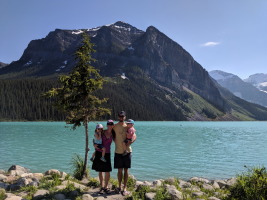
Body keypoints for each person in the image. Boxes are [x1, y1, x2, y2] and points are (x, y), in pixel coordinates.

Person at [113, 111, 137, 196]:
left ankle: (125, 188)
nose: (121, 118)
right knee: (119, 170)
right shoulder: (114, 126)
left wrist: (131, 142)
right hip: (118, 151)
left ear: (125, 117)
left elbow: (134, 136)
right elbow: (108, 132)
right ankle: (119, 186)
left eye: (122, 116)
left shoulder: (128, 126)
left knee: (126, 170)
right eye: (120, 116)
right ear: (118, 117)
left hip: (127, 151)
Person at [92, 120, 114, 194]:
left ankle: (106, 186)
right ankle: (101, 186)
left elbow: (119, 139)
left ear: (113, 125)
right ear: (107, 125)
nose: (110, 125)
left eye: (111, 124)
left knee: (107, 171)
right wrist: (94, 145)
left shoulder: (113, 133)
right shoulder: (102, 132)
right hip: (99, 152)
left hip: (107, 153)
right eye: (108, 124)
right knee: (100, 170)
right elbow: (95, 138)